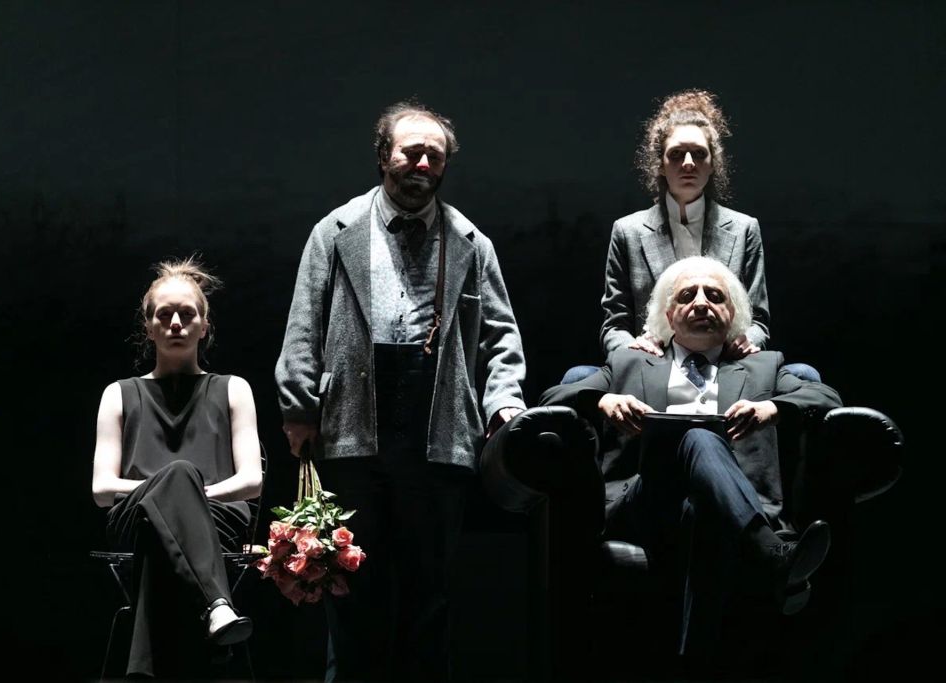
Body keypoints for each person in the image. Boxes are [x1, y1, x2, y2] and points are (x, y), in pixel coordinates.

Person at [275, 100, 527, 682]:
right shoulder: (336, 231)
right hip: (351, 426)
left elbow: (501, 338)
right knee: (348, 586)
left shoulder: (469, 241)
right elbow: (303, 326)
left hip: (437, 431)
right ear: (383, 156)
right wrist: (299, 406)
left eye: (434, 156)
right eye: (411, 152)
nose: (423, 164)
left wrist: (504, 405)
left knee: (429, 593)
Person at [539, 256, 841, 661]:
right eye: (687, 296)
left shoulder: (764, 367)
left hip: (726, 506)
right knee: (698, 437)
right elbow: (552, 397)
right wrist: (603, 400)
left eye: (714, 296)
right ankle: (771, 553)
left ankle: (692, 664)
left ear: (732, 314)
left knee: (701, 507)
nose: (701, 303)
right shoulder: (629, 362)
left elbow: (826, 397)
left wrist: (774, 408)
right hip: (643, 501)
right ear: (669, 315)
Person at [564, 90, 816, 383]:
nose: (687, 163)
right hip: (652, 368)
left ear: (713, 163)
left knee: (804, 376)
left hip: (725, 367)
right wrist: (635, 350)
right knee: (577, 378)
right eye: (676, 154)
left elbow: (758, 320)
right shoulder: (628, 231)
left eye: (698, 153)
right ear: (660, 164)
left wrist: (745, 341)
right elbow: (614, 325)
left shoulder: (744, 228)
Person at [91, 257, 263, 678]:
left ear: (205, 326)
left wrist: (187, 496)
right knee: (178, 476)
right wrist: (172, 488)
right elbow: (101, 489)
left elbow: (251, 481)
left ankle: (141, 673)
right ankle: (217, 606)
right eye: (164, 314)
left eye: (187, 314)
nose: (175, 323)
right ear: (148, 327)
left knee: (173, 497)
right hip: (135, 518)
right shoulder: (118, 394)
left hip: (216, 520)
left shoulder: (233, 389)